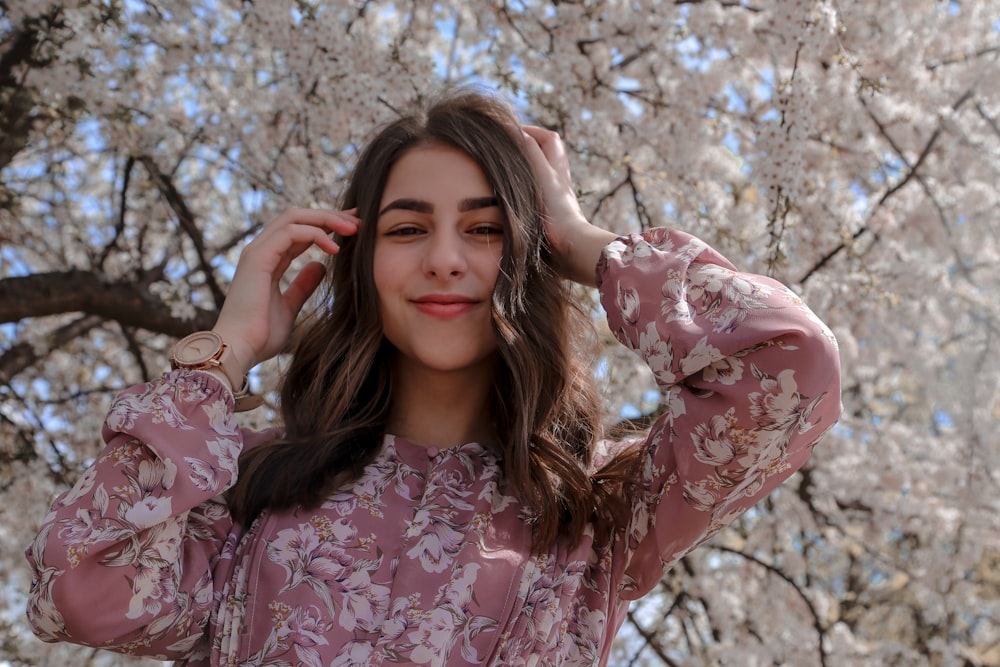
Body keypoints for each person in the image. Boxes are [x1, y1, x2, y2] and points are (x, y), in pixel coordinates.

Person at [24, 90, 841, 666]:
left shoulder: (608, 511)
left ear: (528, 257)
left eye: (486, 229)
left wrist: (581, 238)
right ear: (362, 262)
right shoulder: (249, 489)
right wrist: (225, 353)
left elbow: (789, 360)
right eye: (409, 227)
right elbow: (77, 586)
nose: (446, 258)